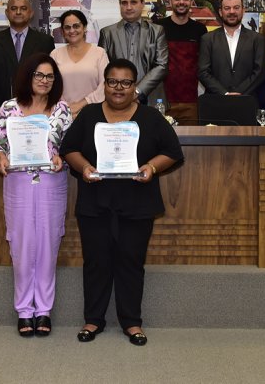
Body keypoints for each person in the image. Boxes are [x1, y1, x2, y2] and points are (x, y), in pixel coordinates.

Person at [60, 58, 183, 346]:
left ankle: (132, 322)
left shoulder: (151, 117)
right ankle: (93, 319)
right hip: (95, 201)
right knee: (96, 262)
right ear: (105, 85)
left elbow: (173, 152)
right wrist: (85, 168)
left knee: (131, 262)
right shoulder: (89, 115)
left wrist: (151, 167)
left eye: (126, 83)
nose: (118, 88)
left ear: (134, 87)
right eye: (112, 82)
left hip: (137, 203)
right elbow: (69, 149)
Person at [0, 53, 72, 338]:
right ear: (27, 77)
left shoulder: (62, 110)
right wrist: (0, 157)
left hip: (52, 182)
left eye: (50, 76)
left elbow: (71, 148)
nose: (44, 81)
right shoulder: (9, 108)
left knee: (48, 243)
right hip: (18, 182)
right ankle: (24, 310)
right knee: (21, 244)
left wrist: (63, 158)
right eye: (39, 75)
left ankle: (44, 310)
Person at [0, 0, 55, 123]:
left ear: (31, 13)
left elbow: (50, 80)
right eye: (14, 8)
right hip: (1, 115)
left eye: (23, 8)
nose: (18, 12)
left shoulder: (45, 41)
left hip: (37, 115)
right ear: (7, 13)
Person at [98, 0, 168, 106]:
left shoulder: (157, 31)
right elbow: (103, 69)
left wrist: (136, 91)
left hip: (150, 99)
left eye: (133, 2)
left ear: (142, 4)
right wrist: (122, 91)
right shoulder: (107, 33)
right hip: (117, 99)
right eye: (124, 3)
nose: (128, 7)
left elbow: (162, 65)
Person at [197, 0, 265, 97]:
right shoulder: (208, 39)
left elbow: (259, 72)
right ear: (220, 12)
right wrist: (224, 93)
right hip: (216, 101)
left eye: (236, 8)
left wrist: (238, 93)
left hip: (246, 101)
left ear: (243, 10)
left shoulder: (257, 39)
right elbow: (203, 72)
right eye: (227, 8)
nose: (232, 12)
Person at [160, 0, 207, 124]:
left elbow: (204, 64)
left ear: (191, 1)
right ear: (170, 1)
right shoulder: (158, 27)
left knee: (191, 143)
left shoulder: (200, 30)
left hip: (191, 103)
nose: (181, 2)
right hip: (163, 101)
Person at [50, 9, 108, 117]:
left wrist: (82, 104)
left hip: (93, 112)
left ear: (84, 28)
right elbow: (51, 85)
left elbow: (105, 85)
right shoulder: (55, 54)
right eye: (67, 27)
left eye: (76, 26)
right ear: (62, 32)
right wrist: (65, 108)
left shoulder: (99, 53)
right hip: (63, 115)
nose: (72, 30)